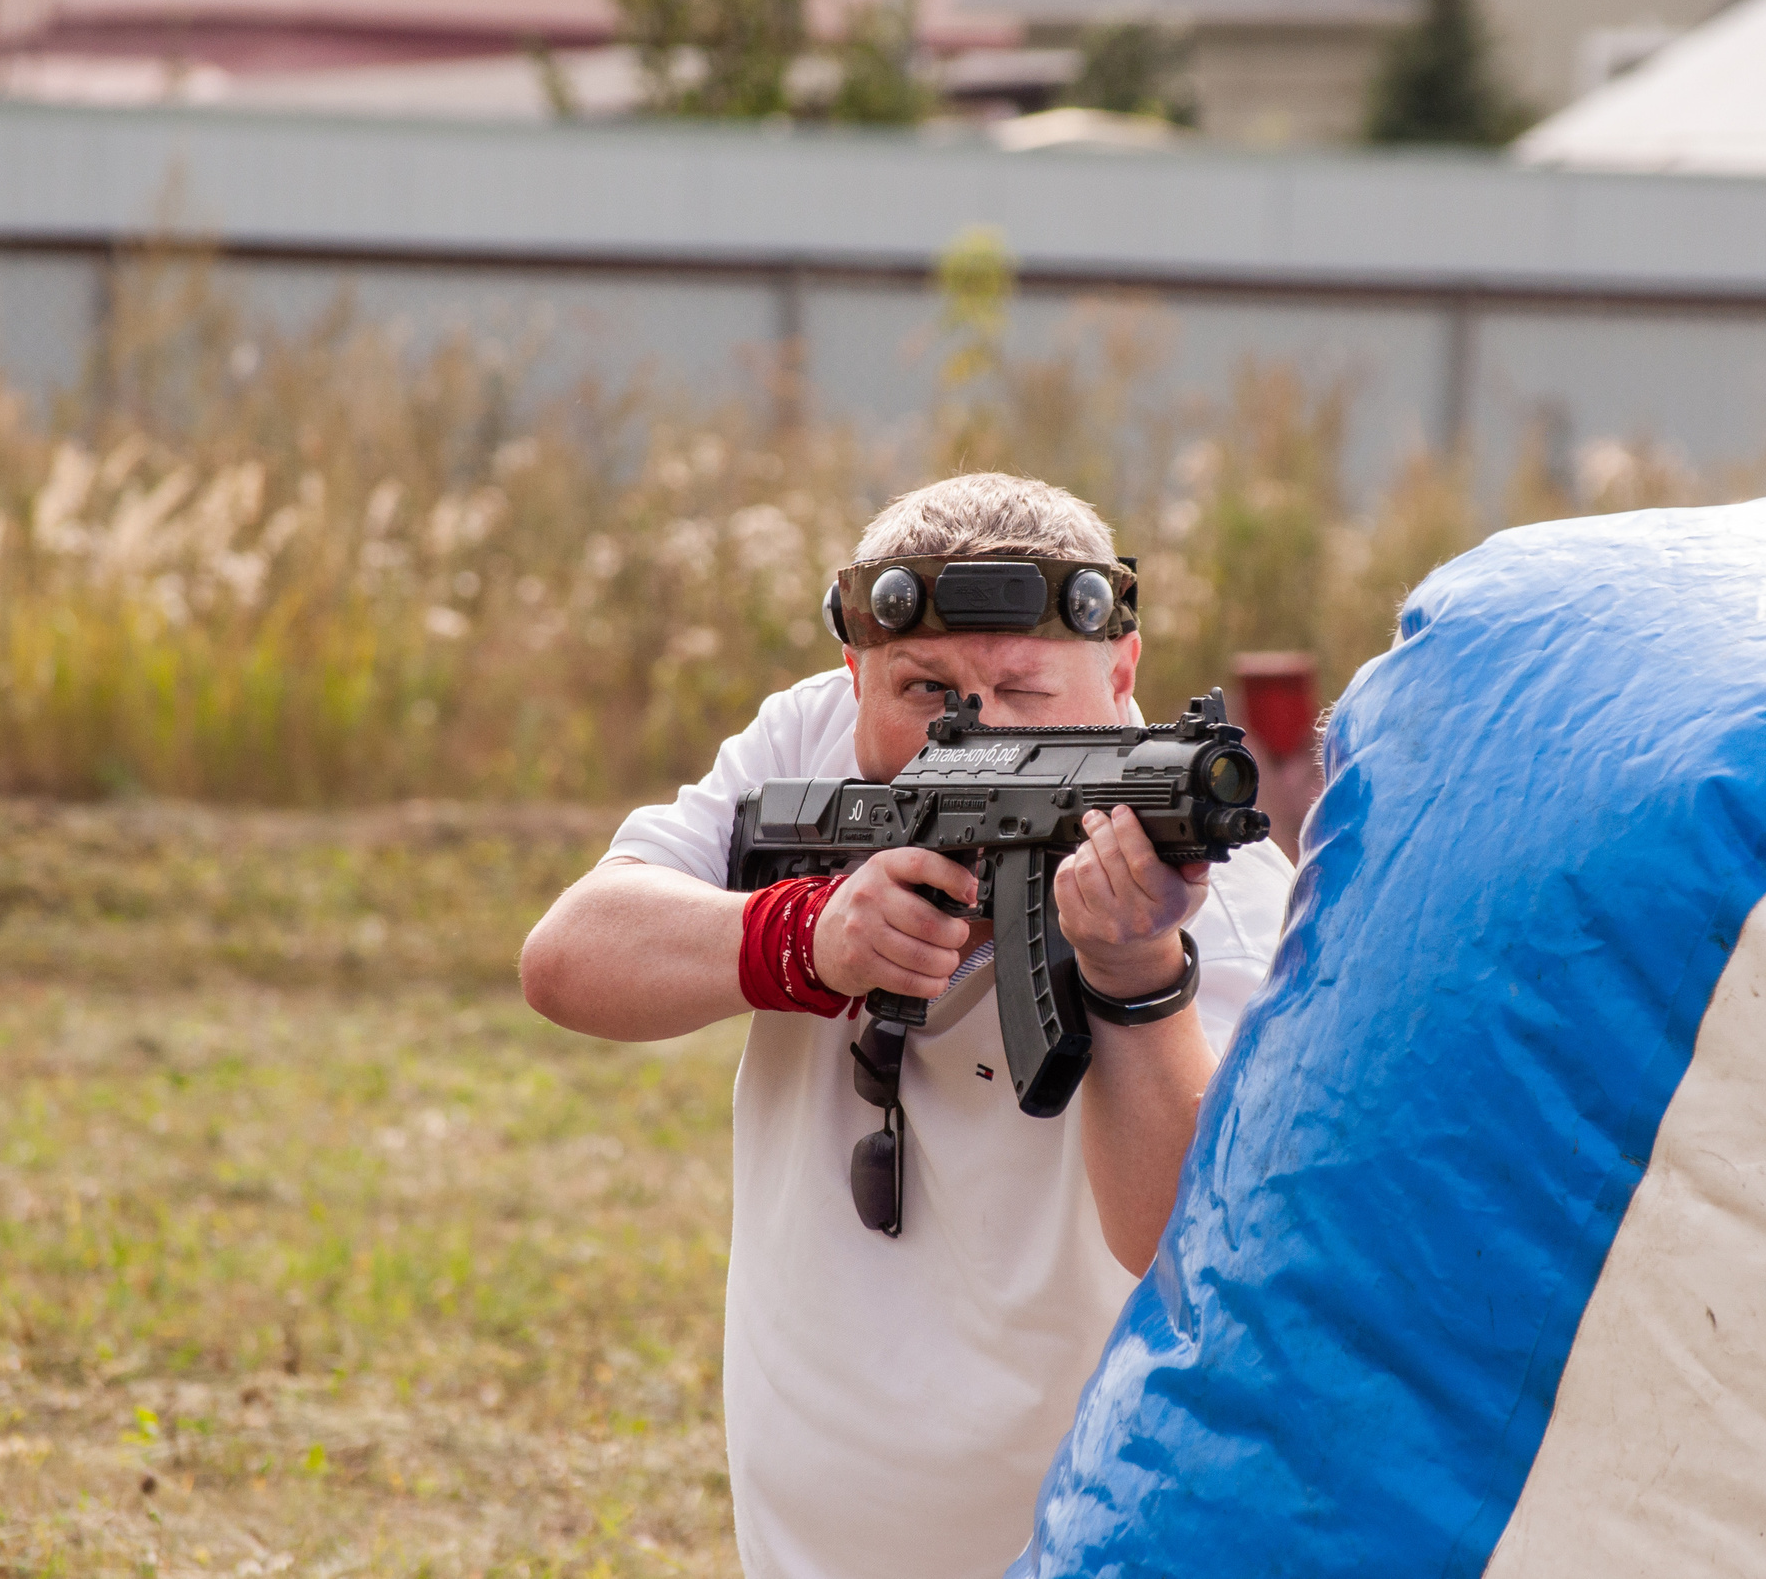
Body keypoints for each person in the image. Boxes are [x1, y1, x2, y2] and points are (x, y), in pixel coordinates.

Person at [520, 472, 1295, 1579]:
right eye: (922, 686)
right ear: (852, 676)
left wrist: (1133, 977)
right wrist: (805, 938)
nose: (970, 725)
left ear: (1119, 672)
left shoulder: (1213, 890)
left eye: (1023, 689)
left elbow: (1191, 1242)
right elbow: (566, 959)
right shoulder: (813, 742)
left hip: (1082, 1532)